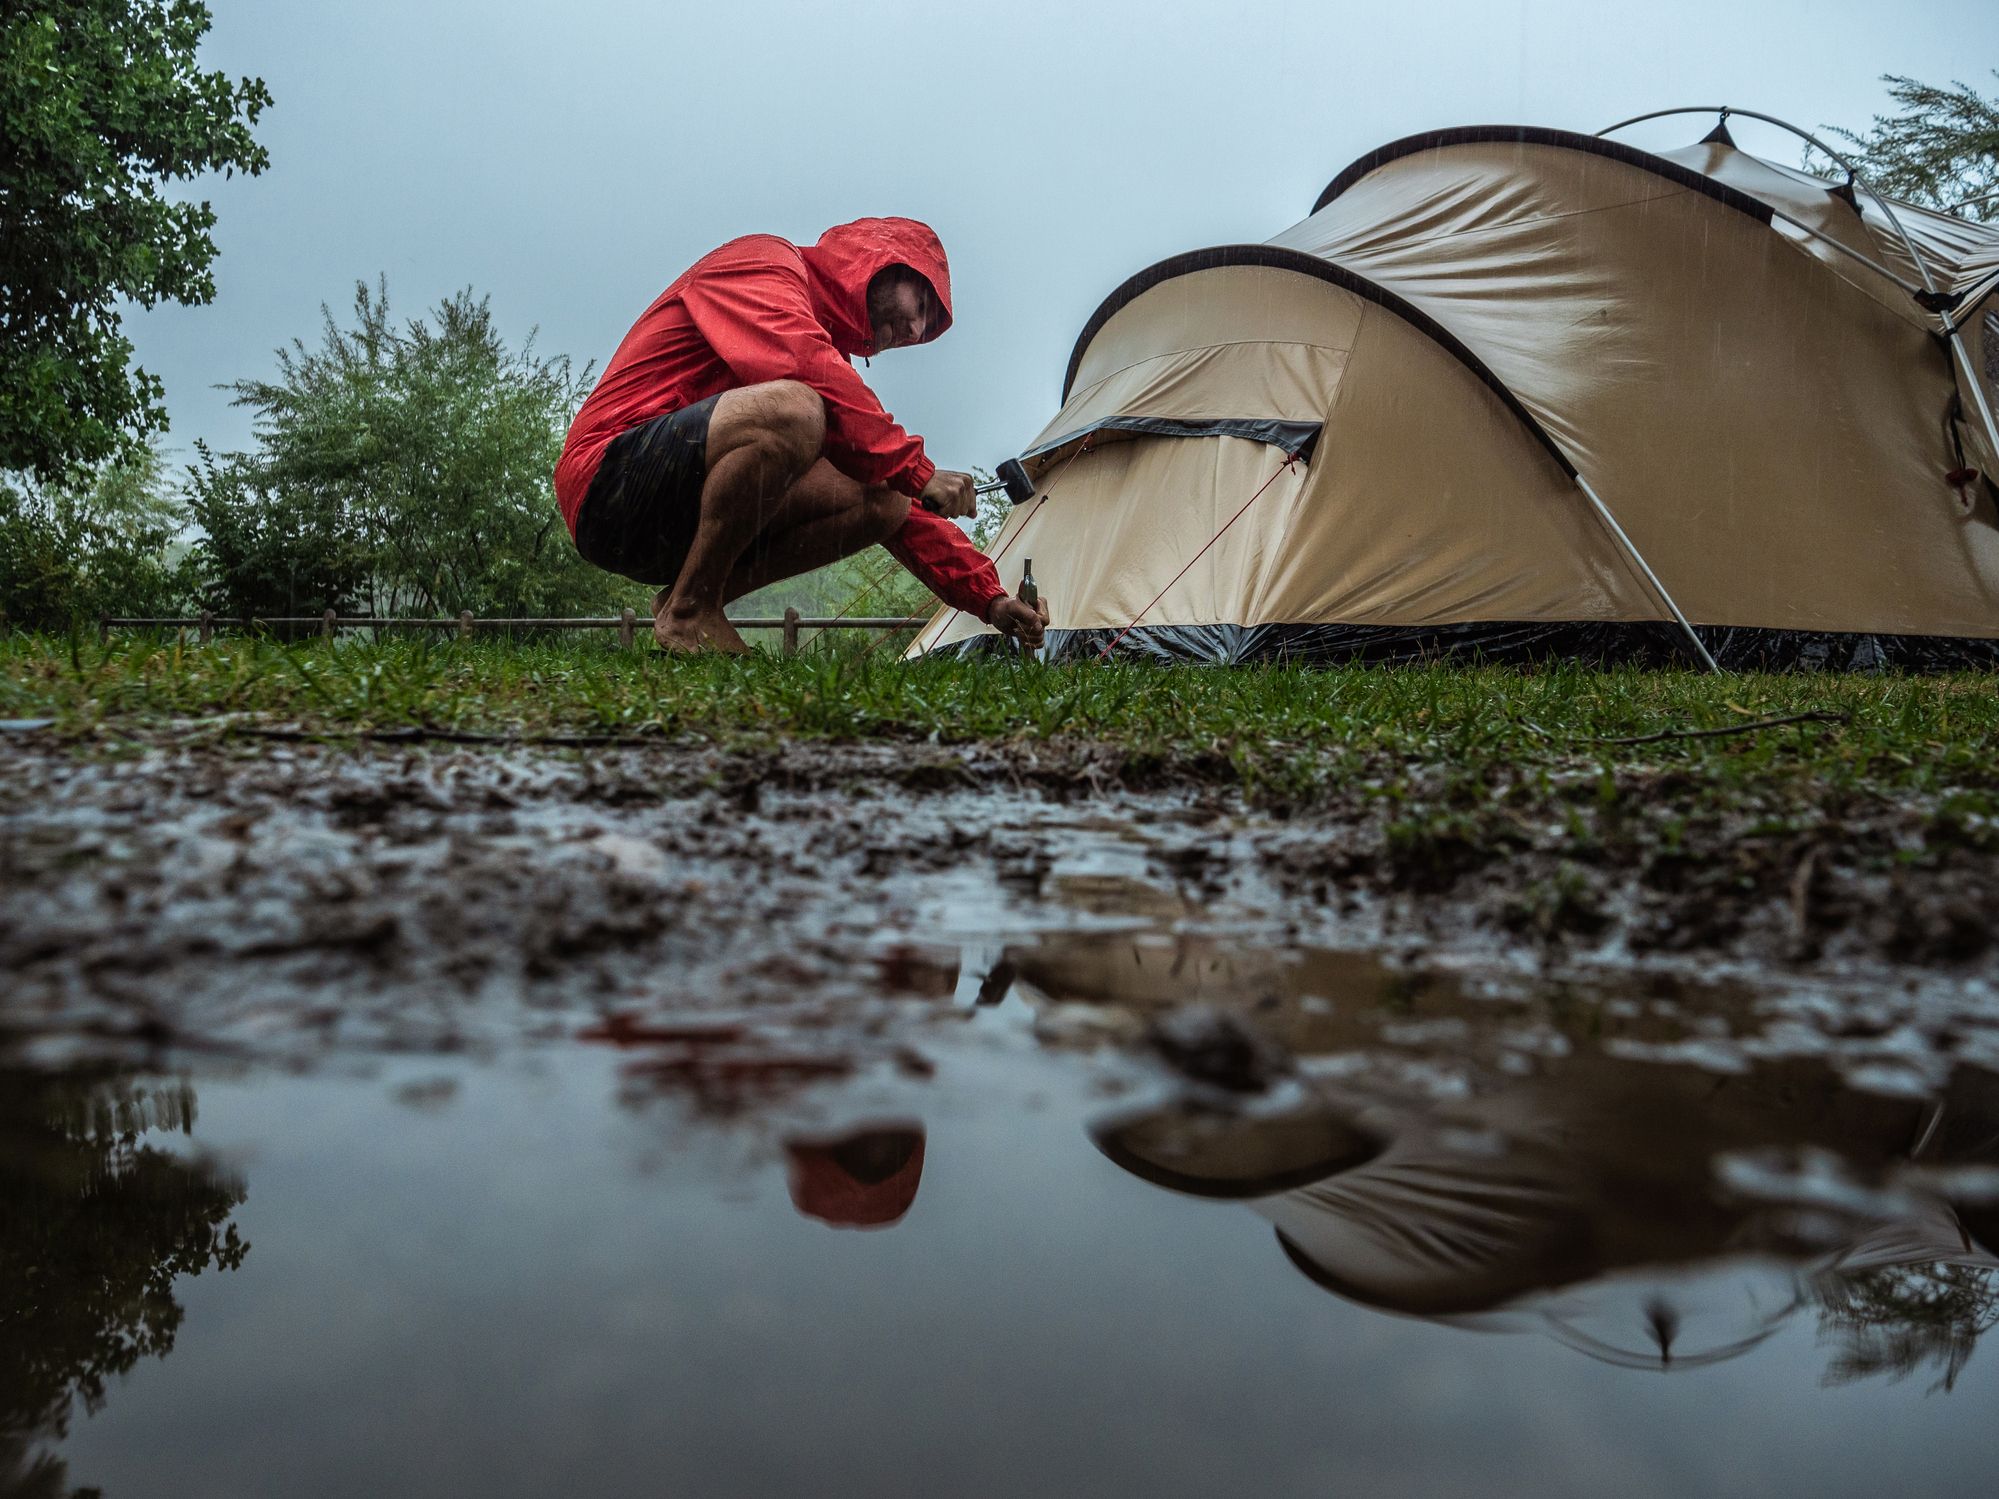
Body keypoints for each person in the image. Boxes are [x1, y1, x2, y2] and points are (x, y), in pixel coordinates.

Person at [554, 217, 1049, 655]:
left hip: (678, 521)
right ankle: (692, 611)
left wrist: (991, 599)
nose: (915, 328)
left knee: (885, 498)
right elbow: (802, 362)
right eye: (919, 302)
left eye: (925, 329)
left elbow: (897, 492)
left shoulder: (831, 370)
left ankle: (691, 602)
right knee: (799, 409)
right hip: (610, 484)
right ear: (878, 262)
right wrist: (919, 470)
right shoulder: (766, 264)